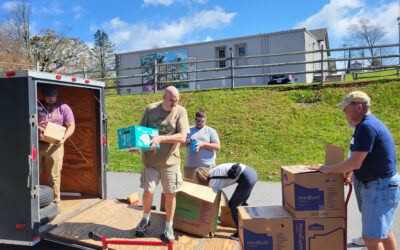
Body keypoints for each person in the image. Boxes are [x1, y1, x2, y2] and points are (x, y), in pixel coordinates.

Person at [309, 91, 399, 250]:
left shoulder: (367, 127)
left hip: (379, 186)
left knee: (371, 237)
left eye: (346, 108)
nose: (344, 111)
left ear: (358, 107)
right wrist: (347, 174)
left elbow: (355, 162)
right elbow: (359, 158)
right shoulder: (365, 126)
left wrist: (326, 169)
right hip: (378, 184)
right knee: (383, 232)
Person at [131, 86, 189, 243]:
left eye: (177, 100)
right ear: (164, 97)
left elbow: (183, 137)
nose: (174, 103)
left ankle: (169, 226)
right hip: (150, 161)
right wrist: (137, 146)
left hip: (170, 162)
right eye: (171, 100)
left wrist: (161, 139)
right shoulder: (150, 109)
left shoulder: (180, 111)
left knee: (170, 194)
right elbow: (141, 131)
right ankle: (145, 218)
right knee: (148, 191)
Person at [193, 163, 258, 240]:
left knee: (234, 205)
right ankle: (251, 225)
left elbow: (214, 200)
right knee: (241, 203)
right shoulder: (213, 173)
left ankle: (241, 233)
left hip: (247, 177)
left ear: (201, 179)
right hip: (250, 173)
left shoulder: (213, 181)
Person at [38, 85, 75, 207]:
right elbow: (27, 120)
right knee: (32, 173)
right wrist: (38, 129)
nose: (51, 99)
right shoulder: (35, 105)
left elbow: (71, 125)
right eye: (48, 97)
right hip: (36, 143)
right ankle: (32, 201)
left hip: (55, 145)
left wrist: (64, 138)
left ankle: (55, 201)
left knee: (54, 175)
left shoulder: (63, 107)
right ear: (43, 96)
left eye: (53, 97)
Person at [181, 110, 220, 179]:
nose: (199, 123)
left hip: (206, 166)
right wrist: (188, 141)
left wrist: (202, 144)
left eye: (201, 121)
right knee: (188, 188)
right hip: (190, 167)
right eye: (197, 121)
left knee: (207, 188)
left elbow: (217, 146)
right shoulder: (188, 130)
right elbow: (179, 144)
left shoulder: (211, 131)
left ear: (205, 120)